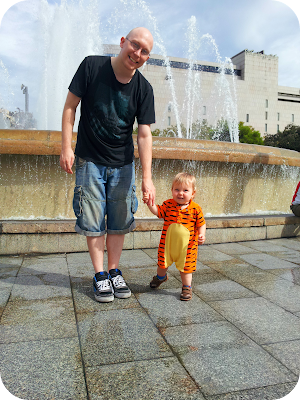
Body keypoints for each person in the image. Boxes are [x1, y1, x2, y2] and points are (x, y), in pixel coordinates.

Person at [60, 27, 156, 302]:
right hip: (89, 160)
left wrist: (147, 178)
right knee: (91, 219)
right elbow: (70, 106)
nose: (137, 54)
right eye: (134, 46)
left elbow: (144, 134)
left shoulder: (143, 89)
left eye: (144, 51)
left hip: (123, 164)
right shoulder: (92, 65)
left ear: (147, 58)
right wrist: (66, 147)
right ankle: (100, 274)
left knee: (119, 220)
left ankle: (114, 271)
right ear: (123, 42)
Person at [143, 172, 206, 301]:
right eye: (177, 189)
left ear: (193, 193)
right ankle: (161, 277)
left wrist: (202, 234)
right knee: (162, 264)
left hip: (187, 248)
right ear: (172, 190)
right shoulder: (168, 205)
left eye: (185, 190)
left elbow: (202, 224)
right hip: (168, 245)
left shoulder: (195, 209)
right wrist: (150, 203)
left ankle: (186, 287)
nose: (180, 193)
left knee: (186, 268)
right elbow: (158, 211)